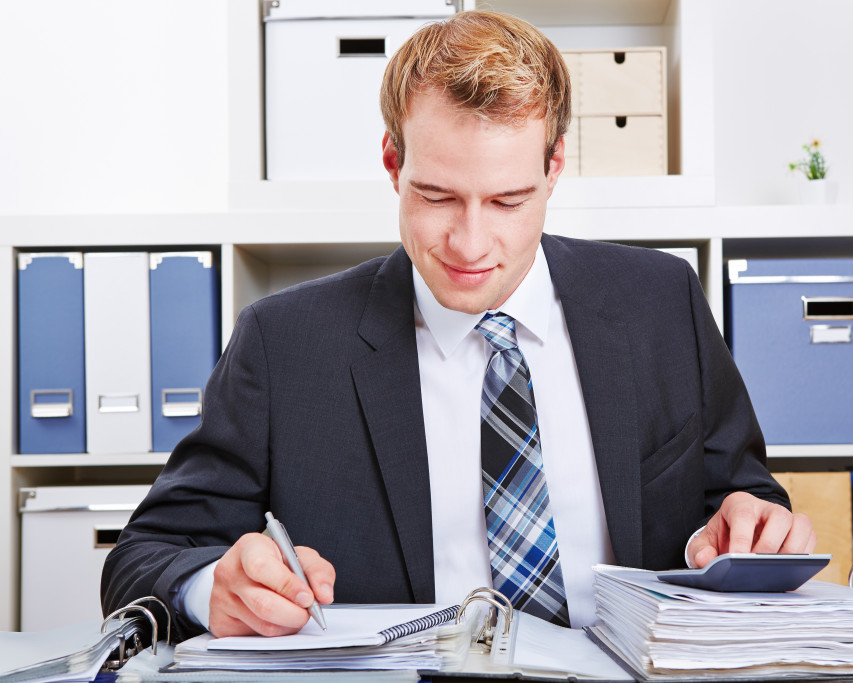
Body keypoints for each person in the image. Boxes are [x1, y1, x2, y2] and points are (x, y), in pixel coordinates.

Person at [101, 10, 815, 642]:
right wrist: (210, 587)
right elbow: (143, 556)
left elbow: (740, 500)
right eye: (437, 196)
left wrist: (751, 526)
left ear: (555, 166)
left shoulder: (662, 303)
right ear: (393, 164)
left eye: (508, 200)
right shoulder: (284, 343)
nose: (471, 244)